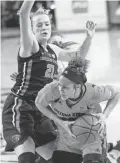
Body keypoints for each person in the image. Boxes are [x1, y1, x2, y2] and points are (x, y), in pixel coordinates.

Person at [2, 0, 96, 163]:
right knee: (27, 158)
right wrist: (27, 11)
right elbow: (24, 14)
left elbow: (79, 56)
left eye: (46, 24)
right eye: (39, 25)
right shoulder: (30, 46)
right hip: (20, 108)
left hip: (40, 110)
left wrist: (89, 37)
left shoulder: (54, 50)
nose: (44, 27)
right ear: (31, 29)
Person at [35, 56, 120, 163]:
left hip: (91, 136)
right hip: (67, 139)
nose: (61, 90)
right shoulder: (52, 90)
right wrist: (59, 120)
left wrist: (105, 115)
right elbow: (39, 103)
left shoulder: (94, 92)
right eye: (60, 85)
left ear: (78, 86)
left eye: (66, 87)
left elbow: (117, 91)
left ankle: (112, 154)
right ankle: (112, 151)